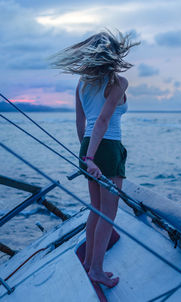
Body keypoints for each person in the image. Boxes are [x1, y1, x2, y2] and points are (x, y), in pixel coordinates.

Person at [50, 29, 140, 288]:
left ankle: (90, 263)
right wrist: (93, 156)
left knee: (95, 209)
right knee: (108, 214)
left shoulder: (83, 82)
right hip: (107, 147)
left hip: (88, 145)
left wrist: (86, 154)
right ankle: (97, 270)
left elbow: (82, 122)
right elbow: (103, 120)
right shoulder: (118, 82)